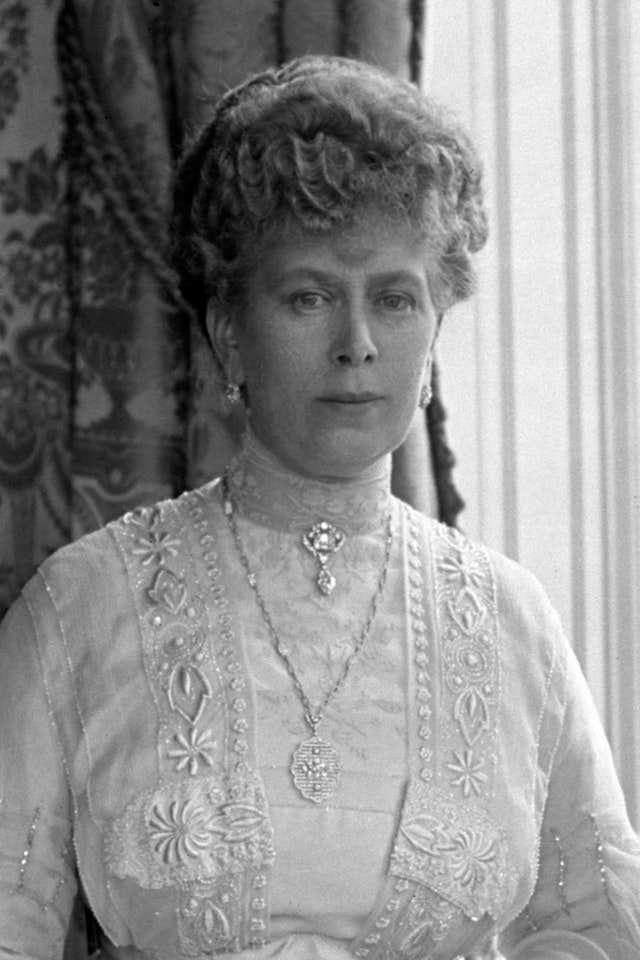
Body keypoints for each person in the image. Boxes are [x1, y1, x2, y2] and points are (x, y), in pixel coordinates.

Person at [0, 54, 638, 960]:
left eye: (394, 298)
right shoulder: (79, 607)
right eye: (308, 298)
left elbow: (598, 930)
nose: (358, 344)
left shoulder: (510, 622)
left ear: (435, 328)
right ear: (229, 332)